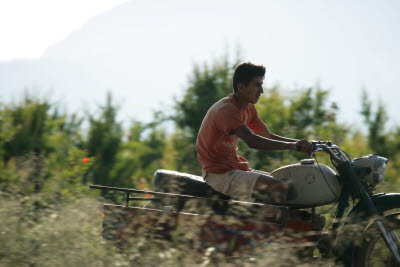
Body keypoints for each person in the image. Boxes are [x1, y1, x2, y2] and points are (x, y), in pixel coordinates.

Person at [196, 62, 313, 204]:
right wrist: (293, 146)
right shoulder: (227, 110)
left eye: (261, 85)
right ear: (241, 87)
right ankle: (275, 225)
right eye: (257, 85)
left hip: (234, 168)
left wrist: (303, 144)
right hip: (219, 175)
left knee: (288, 183)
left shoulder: (249, 108)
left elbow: (267, 136)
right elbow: (252, 141)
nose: (261, 91)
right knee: (277, 187)